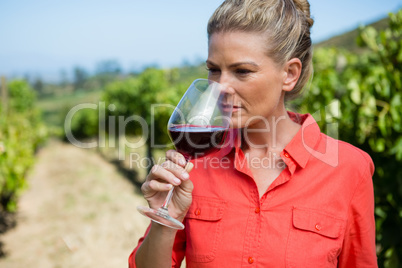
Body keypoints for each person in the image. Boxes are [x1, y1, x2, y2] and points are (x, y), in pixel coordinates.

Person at [129, 0, 377, 267]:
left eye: (242, 71)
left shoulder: (350, 170)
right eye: (214, 70)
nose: (221, 87)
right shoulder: (195, 164)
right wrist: (164, 221)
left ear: (290, 74)